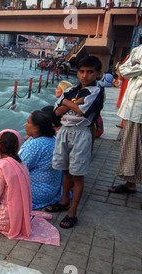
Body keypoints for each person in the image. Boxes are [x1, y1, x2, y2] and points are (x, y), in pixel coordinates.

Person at [46, 56, 104, 229]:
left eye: (90, 72)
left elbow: (83, 111)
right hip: (64, 132)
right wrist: (72, 103)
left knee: (77, 174)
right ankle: (64, 201)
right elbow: (57, 112)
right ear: (77, 72)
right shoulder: (71, 91)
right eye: (81, 71)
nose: (85, 75)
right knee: (65, 170)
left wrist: (67, 104)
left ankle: (72, 212)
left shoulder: (96, 92)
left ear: (98, 73)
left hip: (81, 133)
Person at [109, 36, 142, 195]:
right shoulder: (137, 50)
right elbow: (124, 70)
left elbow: (127, 69)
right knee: (130, 146)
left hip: (138, 106)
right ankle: (130, 183)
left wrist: (136, 66)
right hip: (134, 108)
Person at [19, 110, 63, 210]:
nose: (25, 124)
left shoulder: (37, 144)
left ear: (37, 128)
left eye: (29, 122)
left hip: (40, 192)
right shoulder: (51, 139)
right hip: (51, 189)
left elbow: (19, 168)